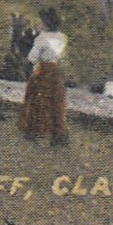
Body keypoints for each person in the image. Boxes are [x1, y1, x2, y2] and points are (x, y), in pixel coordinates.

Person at [19, 8, 69, 145]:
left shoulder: (42, 38)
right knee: (55, 100)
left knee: (38, 99)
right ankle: (56, 131)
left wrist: (28, 69)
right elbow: (62, 57)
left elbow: (32, 57)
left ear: (45, 23)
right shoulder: (62, 37)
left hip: (43, 70)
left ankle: (35, 130)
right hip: (56, 71)